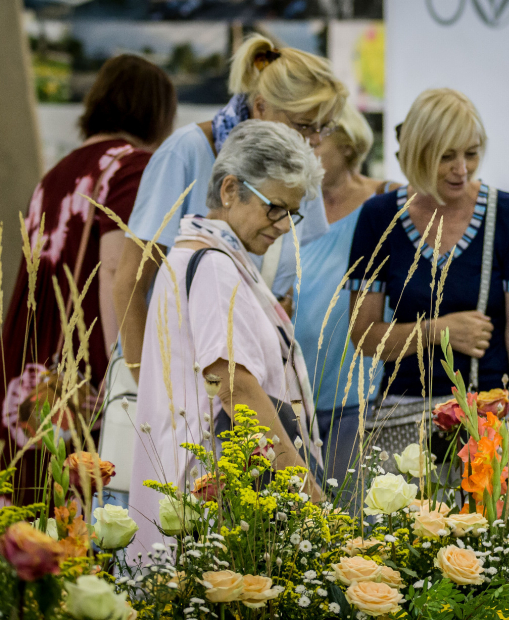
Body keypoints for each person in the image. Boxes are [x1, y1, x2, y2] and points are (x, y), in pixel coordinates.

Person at [129, 120, 325, 552]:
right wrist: (306, 492)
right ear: (230, 190)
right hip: (210, 497)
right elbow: (236, 388)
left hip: (187, 494)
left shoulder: (189, 254)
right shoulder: (215, 268)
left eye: (292, 212)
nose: (284, 225)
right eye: (275, 207)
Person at [114, 33, 347, 384]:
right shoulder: (186, 153)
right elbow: (129, 286)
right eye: (303, 125)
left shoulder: (301, 169)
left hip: (248, 380)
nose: (313, 140)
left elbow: (283, 287)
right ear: (261, 105)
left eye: (322, 128)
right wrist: (147, 387)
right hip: (170, 379)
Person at [0, 55, 176, 505]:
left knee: (29, 502)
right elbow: (117, 268)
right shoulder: (133, 165)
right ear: (157, 111)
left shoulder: (58, 170)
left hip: (31, 354)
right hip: (83, 358)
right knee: (82, 502)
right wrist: (123, 374)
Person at [347, 88, 509, 457]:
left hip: (489, 414)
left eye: (471, 153)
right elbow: (363, 335)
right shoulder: (379, 216)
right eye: (446, 157)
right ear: (419, 153)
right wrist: (436, 331)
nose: (462, 169)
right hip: (404, 417)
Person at [293, 104, 398, 483]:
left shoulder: (385, 200)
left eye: (318, 144)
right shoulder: (288, 204)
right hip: (295, 383)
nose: (308, 150)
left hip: (358, 386)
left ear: (350, 148)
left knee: (350, 510)